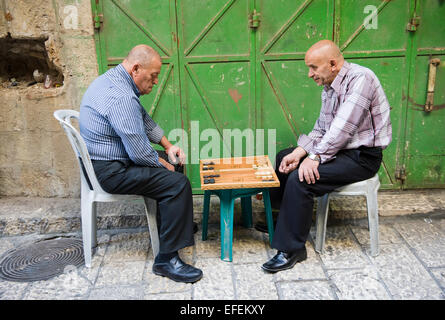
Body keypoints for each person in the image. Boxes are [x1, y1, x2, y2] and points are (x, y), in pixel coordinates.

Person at [261, 40, 392, 273]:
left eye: (313, 67)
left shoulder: (361, 79)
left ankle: (292, 249)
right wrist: (300, 152)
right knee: (286, 157)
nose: (310, 74)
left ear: (332, 64)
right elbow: (322, 129)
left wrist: (315, 157)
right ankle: (281, 222)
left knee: (301, 178)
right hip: (340, 150)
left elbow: (342, 128)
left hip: (362, 157)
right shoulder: (330, 87)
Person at [79, 45, 203, 283]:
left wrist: (168, 147)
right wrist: (165, 166)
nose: (155, 82)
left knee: (174, 161)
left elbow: (142, 119)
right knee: (177, 183)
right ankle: (166, 260)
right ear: (136, 69)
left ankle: (177, 226)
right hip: (111, 170)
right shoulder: (121, 96)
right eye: (153, 75)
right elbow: (139, 153)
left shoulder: (115, 80)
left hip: (108, 160)